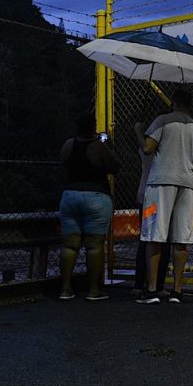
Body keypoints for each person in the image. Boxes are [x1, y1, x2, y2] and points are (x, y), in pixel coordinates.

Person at [136, 89, 193, 305]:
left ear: (174, 102)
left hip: (159, 184)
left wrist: (139, 131)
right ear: (190, 105)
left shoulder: (162, 121)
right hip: (187, 186)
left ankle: (152, 290)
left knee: (154, 236)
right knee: (181, 239)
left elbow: (148, 148)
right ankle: (177, 291)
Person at [58, 112, 120, 301]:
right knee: (94, 246)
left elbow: (63, 162)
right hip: (95, 196)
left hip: (69, 196)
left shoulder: (69, 145)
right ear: (93, 128)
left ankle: (65, 289)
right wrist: (108, 145)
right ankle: (94, 290)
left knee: (70, 245)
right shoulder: (97, 147)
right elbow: (114, 167)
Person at [132, 120, 171, 299]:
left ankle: (139, 284)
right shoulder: (167, 151)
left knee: (146, 240)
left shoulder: (146, 150)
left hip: (146, 198)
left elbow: (144, 145)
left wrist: (139, 130)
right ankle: (158, 284)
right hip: (163, 198)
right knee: (163, 242)